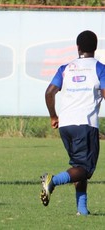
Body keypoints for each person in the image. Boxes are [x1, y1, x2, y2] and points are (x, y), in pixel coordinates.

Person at [41, 30, 105, 216]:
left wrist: (53, 116)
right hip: (85, 124)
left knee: (78, 167)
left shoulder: (65, 68)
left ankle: (82, 210)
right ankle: (53, 181)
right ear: (95, 47)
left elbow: (49, 92)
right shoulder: (99, 68)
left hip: (66, 125)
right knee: (85, 170)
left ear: (78, 47)